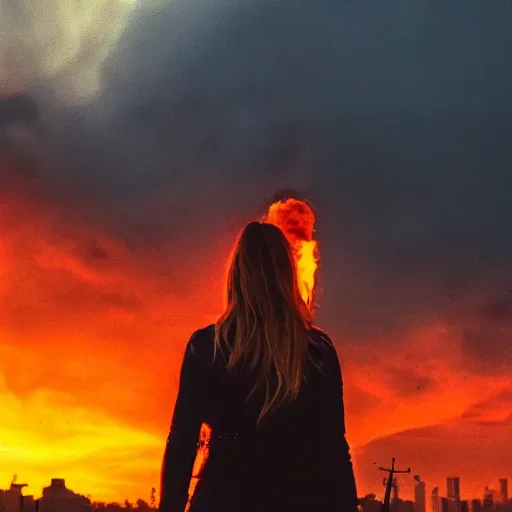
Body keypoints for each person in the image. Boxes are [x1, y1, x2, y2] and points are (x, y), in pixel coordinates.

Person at [159, 221, 358, 512]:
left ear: (236, 276)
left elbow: (182, 444)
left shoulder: (206, 347)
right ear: (286, 274)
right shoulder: (318, 352)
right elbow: (334, 454)